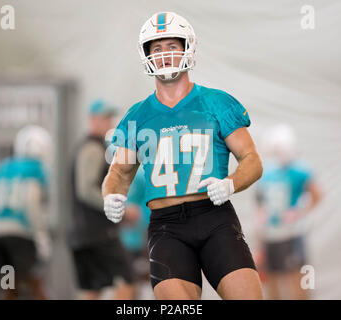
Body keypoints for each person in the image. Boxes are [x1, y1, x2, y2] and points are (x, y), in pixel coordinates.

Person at [102, 12, 264, 300]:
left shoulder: (216, 103)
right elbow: (118, 173)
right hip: (167, 227)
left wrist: (230, 183)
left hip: (215, 218)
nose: (164, 55)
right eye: (157, 48)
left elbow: (251, 159)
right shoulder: (137, 116)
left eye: (171, 46)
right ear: (146, 55)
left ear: (187, 48)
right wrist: (111, 195)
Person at [68, 100, 135, 300]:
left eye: (110, 118)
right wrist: (120, 208)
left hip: (82, 234)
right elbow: (86, 190)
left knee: (92, 289)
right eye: (105, 118)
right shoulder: (93, 148)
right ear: (92, 120)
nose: (109, 123)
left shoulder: (87, 147)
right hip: (98, 234)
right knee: (126, 281)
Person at [0, 125, 53, 300]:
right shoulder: (37, 169)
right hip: (19, 233)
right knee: (36, 281)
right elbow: (31, 203)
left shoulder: (4, 166)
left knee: (9, 285)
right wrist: (41, 236)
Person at [253, 124, 321, 300]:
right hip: (270, 234)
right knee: (271, 278)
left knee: (297, 277)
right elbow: (260, 204)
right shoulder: (267, 172)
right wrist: (260, 230)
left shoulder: (301, 170)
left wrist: (299, 212)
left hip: (292, 233)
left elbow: (317, 195)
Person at [119, 167, 152, 299]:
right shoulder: (138, 173)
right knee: (129, 283)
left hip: (142, 234)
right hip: (138, 236)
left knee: (132, 282)